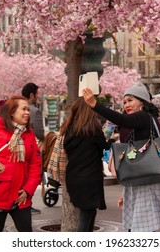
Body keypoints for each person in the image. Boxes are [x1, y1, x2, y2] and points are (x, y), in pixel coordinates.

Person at [83, 83, 160, 232]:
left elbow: (122, 120)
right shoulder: (147, 119)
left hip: (145, 179)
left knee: (142, 228)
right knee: (145, 225)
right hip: (146, 177)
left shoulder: (143, 117)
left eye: (130, 100)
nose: (126, 104)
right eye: (125, 101)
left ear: (142, 101)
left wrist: (95, 105)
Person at [0, 96, 42, 232]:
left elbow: (35, 163)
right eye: (24, 109)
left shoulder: (29, 133)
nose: (28, 112)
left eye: (28, 109)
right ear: (11, 111)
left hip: (21, 195)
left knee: (26, 231)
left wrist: (28, 189)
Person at [60, 97, 113, 231]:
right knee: (87, 214)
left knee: (88, 211)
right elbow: (103, 148)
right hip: (90, 178)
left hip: (74, 176)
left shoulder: (69, 129)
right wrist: (111, 140)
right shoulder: (93, 128)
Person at [22, 82, 44, 215]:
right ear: (31, 95)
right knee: (32, 174)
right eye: (36, 95)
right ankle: (27, 202)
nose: (37, 97)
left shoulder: (14, 107)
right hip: (31, 147)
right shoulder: (34, 111)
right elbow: (40, 134)